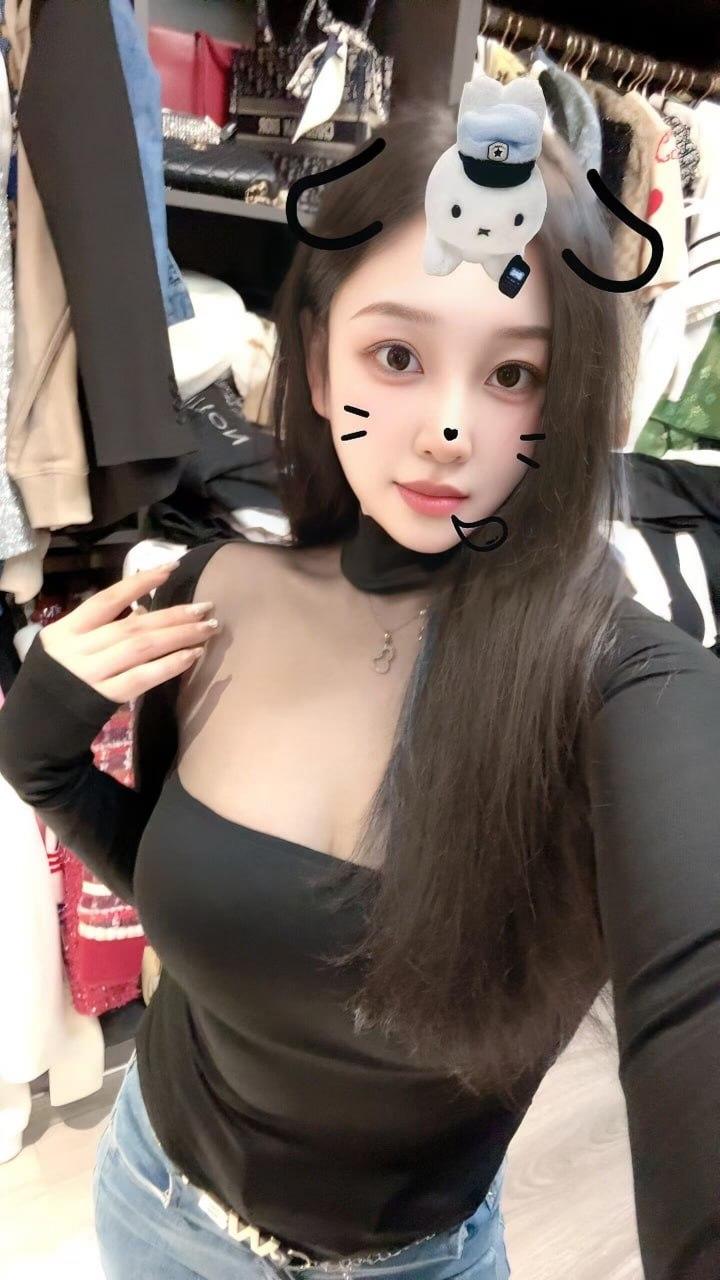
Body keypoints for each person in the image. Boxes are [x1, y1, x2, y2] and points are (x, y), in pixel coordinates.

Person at [0, 105, 718, 1280]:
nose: (448, 429)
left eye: (515, 373)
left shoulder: (615, 686)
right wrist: (43, 760)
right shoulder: (216, 588)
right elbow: (212, 897)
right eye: (398, 356)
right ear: (319, 350)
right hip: (152, 1201)